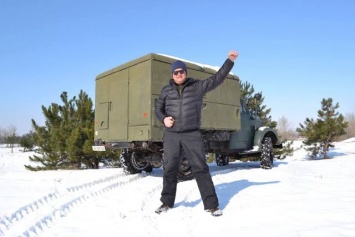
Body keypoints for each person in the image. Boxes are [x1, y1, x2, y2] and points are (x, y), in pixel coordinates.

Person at [154, 50, 238, 217]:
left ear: (186, 72)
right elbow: (158, 109)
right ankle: (166, 202)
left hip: (192, 134)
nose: (179, 74)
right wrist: (163, 119)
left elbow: (217, 79)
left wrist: (229, 61)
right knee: (170, 168)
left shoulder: (197, 87)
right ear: (173, 74)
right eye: (176, 72)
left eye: (182, 71)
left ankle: (212, 205)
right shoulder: (166, 90)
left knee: (200, 168)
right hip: (171, 134)